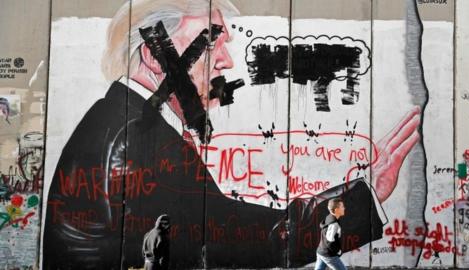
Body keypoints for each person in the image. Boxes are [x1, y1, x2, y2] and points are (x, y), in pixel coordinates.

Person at [42, 0, 420, 269]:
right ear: (155, 57)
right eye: (210, 42)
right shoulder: (138, 140)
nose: (226, 60)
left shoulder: (120, 120)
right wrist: (365, 198)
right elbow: (256, 239)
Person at [315, 198, 347, 270]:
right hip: (328, 255)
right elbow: (329, 241)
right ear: (336, 210)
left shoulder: (329, 217)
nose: (344, 208)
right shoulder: (334, 224)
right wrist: (337, 251)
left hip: (320, 251)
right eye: (342, 206)